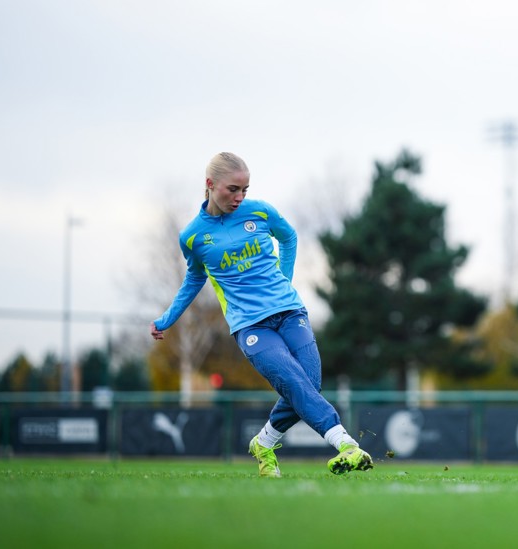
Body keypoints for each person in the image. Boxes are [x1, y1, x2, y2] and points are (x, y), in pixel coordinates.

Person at [150, 152, 372, 477]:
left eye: (245, 189)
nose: (240, 197)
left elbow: (289, 237)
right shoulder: (193, 237)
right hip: (250, 325)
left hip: (290, 311)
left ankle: (264, 443)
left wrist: (284, 279)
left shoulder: (260, 211)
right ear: (210, 185)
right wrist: (167, 318)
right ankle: (346, 444)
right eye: (233, 189)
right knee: (295, 383)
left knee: (310, 382)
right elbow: (195, 278)